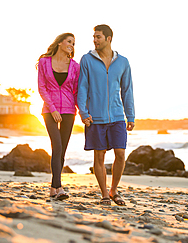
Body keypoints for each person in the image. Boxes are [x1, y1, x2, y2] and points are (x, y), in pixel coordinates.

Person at [77, 24, 135, 206]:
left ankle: (114, 190)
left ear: (108, 39)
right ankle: (104, 194)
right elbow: (82, 87)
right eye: (94, 37)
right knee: (99, 156)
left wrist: (130, 115)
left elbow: (127, 90)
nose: (95, 40)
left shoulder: (123, 62)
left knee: (120, 153)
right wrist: (83, 112)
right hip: (95, 117)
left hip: (117, 116)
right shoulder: (87, 60)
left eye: (98, 37)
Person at [37, 33, 80, 200]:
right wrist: (53, 109)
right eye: (69, 41)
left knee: (62, 149)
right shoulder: (44, 62)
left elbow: (75, 91)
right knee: (57, 145)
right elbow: (42, 87)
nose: (71, 45)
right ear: (60, 43)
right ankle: (59, 187)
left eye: (74, 43)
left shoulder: (75, 66)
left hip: (69, 111)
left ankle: (53, 188)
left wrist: (83, 112)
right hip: (49, 110)